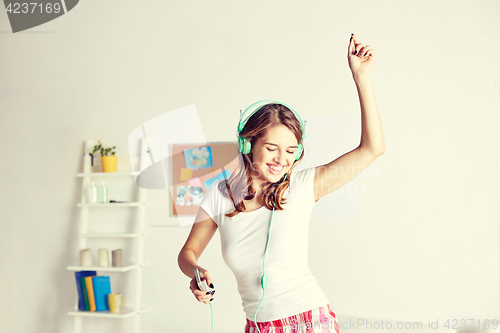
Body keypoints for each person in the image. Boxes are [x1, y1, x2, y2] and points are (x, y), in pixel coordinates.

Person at [177, 33, 385, 333]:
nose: (281, 160)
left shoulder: (304, 186)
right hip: (257, 326)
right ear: (248, 144)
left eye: (290, 151)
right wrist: (196, 272)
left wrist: (361, 77)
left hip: (309, 321)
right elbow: (187, 253)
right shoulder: (220, 195)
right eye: (272, 148)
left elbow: (372, 149)